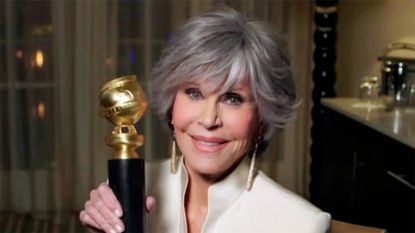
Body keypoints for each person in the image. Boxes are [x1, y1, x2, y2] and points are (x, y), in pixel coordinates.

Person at [79, 8, 331, 233]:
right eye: (194, 93)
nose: (209, 119)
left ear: (263, 117)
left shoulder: (301, 224)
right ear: (172, 104)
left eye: (232, 98)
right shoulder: (131, 186)